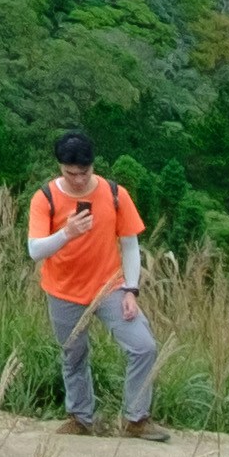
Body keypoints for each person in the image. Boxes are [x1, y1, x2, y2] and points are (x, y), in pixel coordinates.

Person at [28, 131, 160, 437]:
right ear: (60, 167)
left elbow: (130, 244)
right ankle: (81, 418)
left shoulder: (115, 194)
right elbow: (35, 250)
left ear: (93, 165)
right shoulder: (44, 198)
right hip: (63, 291)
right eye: (69, 173)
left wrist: (131, 289)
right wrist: (67, 233)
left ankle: (136, 418)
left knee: (144, 346)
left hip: (110, 287)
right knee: (73, 354)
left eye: (83, 173)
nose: (76, 179)